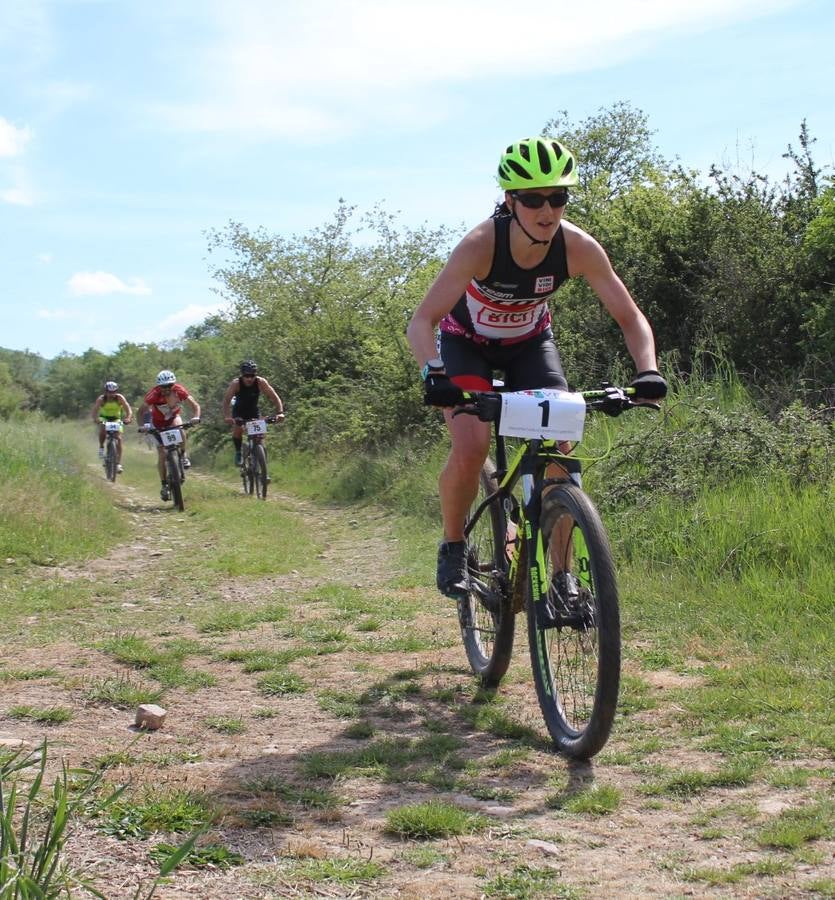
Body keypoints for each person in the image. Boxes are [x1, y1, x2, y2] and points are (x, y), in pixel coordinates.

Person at [406, 136, 668, 601]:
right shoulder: (482, 244)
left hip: (530, 346)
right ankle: (452, 545)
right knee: (471, 446)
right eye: (532, 199)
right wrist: (435, 373)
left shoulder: (578, 247)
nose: (547, 211)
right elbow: (422, 321)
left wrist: (647, 371)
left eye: (558, 197)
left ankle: (562, 575)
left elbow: (630, 317)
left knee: (559, 456)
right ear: (511, 200)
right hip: (468, 348)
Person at [139, 370, 201, 501]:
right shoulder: (154, 394)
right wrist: (143, 425)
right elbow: (141, 411)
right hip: (157, 423)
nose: (166, 389)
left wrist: (196, 417)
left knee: (181, 429)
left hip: (173, 419)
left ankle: (183, 455)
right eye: (163, 387)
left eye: (169, 386)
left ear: (173, 384)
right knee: (162, 453)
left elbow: (195, 405)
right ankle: (164, 485)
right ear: (159, 386)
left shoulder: (179, 390)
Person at [221, 360, 285, 465]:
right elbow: (226, 400)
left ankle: (262, 463)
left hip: (253, 411)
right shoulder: (236, 384)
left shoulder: (260, 382)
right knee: (238, 430)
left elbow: (274, 397)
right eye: (247, 376)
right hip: (239, 412)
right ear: (242, 375)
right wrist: (227, 416)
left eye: (252, 375)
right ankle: (238, 452)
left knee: (259, 436)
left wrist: (280, 412)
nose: (249, 379)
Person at [91, 381, 133, 472]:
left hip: (116, 419)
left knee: (119, 439)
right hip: (104, 418)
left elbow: (128, 408)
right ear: (106, 392)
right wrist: (95, 419)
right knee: (102, 431)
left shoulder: (119, 398)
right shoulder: (101, 399)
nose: (111, 394)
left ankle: (118, 464)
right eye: (109, 392)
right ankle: (101, 446)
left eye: (113, 392)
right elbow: (94, 411)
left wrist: (128, 417)